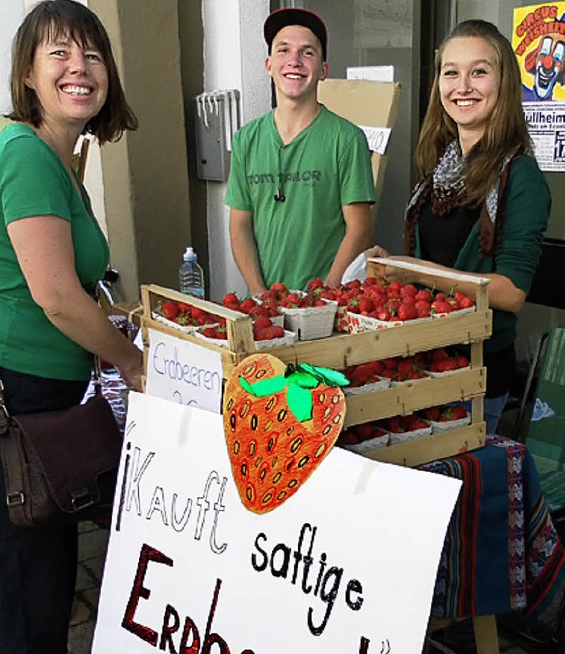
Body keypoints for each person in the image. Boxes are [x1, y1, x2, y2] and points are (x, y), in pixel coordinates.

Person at [0, 2, 141, 654]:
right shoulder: (26, 153)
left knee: (48, 574)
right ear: (27, 71)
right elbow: (56, 296)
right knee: (21, 590)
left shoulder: (60, 155)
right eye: (59, 54)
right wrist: (132, 360)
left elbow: (69, 287)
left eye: (91, 55)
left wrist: (113, 322)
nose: (78, 69)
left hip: (41, 405)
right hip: (4, 408)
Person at [377, 18, 551, 435]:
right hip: (423, 362)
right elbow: (428, 264)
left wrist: (413, 271)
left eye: (479, 71)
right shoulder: (438, 170)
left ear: (503, 82)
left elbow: (509, 292)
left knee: (463, 493)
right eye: (450, 72)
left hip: (476, 375)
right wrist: (391, 268)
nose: (463, 85)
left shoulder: (521, 176)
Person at [225, 7, 376, 294]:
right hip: (264, 309)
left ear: (323, 70)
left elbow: (359, 230)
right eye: (283, 50)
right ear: (269, 65)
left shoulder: (346, 139)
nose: (294, 61)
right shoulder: (246, 140)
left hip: (327, 305)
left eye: (307, 52)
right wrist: (258, 292)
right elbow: (240, 226)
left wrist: (325, 295)